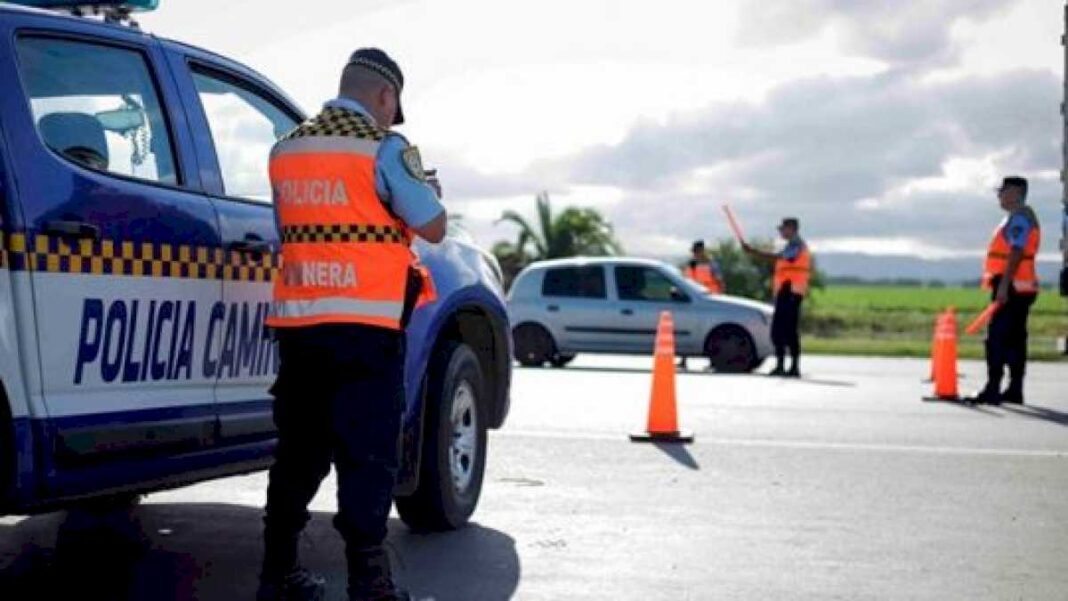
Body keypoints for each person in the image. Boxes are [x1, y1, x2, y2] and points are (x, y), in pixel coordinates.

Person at [258, 48, 446, 601]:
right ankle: (370, 584)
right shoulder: (384, 149)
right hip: (367, 328)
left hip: (299, 327)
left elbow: (286, 228)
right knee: (368, 455)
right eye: (392, 107)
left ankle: (279, 574)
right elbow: (431, 226)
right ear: (385, 97)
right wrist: (429, 190)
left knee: (298, 451)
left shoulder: (285, 150)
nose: (391, 117)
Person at [967, 176, 1041, 405]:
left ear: (1017, 192)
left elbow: (1016, 251)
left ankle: (993, 389)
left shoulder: (1019, 219)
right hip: (1021, 286)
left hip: (1011, 287)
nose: (999, 195)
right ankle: (1014, 389)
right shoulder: (1020, 217)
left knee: (996, 339)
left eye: (1003, 191)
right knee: (1016, 340)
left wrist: (1003, 285)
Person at [742, 218, 811, 377]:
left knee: (789, 331)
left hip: (792, 292)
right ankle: (782, 365)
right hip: (785, 291)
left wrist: (753, 252)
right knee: (779, 331)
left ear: (792, 229)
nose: (780, 231)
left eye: (783, 228)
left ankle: (793, 367)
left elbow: (779, 258)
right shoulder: (791, 245)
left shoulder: (797, 245)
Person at [678, 240, 724, 369]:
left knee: (711, 332)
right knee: (687, 329)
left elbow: (720, 282)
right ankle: (683, 360)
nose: (695, 254)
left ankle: (713, 361)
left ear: (703, 251)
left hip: (710, 302)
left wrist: (720, 299)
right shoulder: (690, 265)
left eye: (697, 251)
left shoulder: (712, 265)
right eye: (694, 252)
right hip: (692, 302)